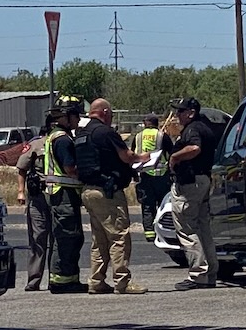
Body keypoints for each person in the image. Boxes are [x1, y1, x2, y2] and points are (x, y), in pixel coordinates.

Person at [74, 98, 151, 294]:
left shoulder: (82, 134)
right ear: (105, 112)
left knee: (99, 239)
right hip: (107, 191)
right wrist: (143, 158)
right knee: (119, 236)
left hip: (88, 191)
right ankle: (122, 281)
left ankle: (96, 280)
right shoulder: (105, 132)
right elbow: (126, 156)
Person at [165, 96, 218, 290]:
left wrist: (175, 157)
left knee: (187, 228)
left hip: (190, 183)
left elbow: (195, 148)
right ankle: (210, 273)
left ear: (191, 113)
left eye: (180, 111)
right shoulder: (205, 128)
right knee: (203, 228)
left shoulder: (193, 129)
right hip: (202, 180)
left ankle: (198, 274)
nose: (176, 115)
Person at [43, 96, 88, 294]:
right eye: (76, 116)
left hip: (61, 194)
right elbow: (70, 169)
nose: (78, 120)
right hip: (64, 195)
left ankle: (66, 278)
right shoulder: (62, 140)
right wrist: (88, 173)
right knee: (68, 237)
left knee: (68, 236)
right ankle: (62, 281)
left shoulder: (55, 136)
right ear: (66, 117)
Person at [14, 124, 50, 291]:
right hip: (38, 196)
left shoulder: (64, 142)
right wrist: (21, 191)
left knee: (58, 239)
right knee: (38, 238)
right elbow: (21, 168)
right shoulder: (35, 145)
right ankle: (33, 280)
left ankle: (57, 279)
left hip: (59, 196)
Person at [132, 113, 169, 242]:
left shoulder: (138, 136)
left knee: (147, 204)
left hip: (144, 175)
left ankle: (149, 233)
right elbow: (171, 153)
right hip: (162, 175)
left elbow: (132, 155)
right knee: (163, 204)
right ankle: (162, 231)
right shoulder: (162, 136)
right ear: (156, 123)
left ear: (145, 123)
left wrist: (134, 174)